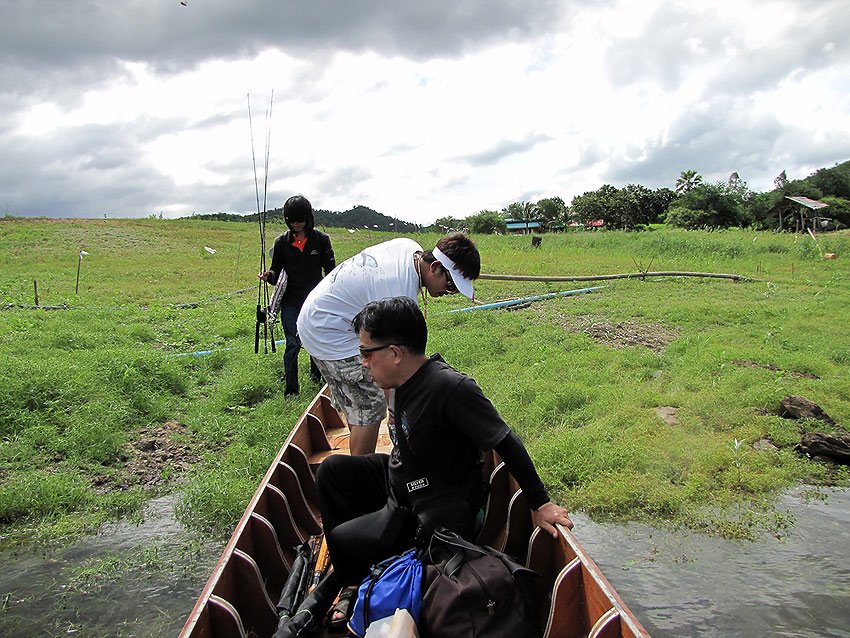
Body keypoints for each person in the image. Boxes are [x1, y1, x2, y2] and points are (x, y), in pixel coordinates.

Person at [316, 296, 574, 594]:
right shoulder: (403, 383)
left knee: (342, 540)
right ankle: (355, 570)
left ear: (396, 353)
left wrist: (540, 503)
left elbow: (505, 440)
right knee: (332, 470)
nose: (363, 363)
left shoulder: (450, 388)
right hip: (403, 481)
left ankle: (354, 580)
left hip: (428, 511)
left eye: (366, 353)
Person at [296, 233, 480, 455]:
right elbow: (392, 362)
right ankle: (362, 478)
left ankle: (360, 458)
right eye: (450, 284)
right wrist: (400, 413)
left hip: (320, 317)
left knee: (361, 405)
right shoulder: (398, 292)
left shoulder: (410, 248)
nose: (448, 293)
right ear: (436, 267)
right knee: (370, 408)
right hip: (330, 331)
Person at [258, 195, 335, 396]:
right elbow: (276, 274)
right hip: (291, 301)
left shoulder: (321, 240)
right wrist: (268, 276)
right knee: (292, 344)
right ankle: (291, 391)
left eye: (299, 219)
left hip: (315, 301)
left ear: (308, 218)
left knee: (315, 342)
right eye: (292, 220)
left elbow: (331, 273)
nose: (296, 224)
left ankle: (316, 380)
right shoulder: (281, 242)